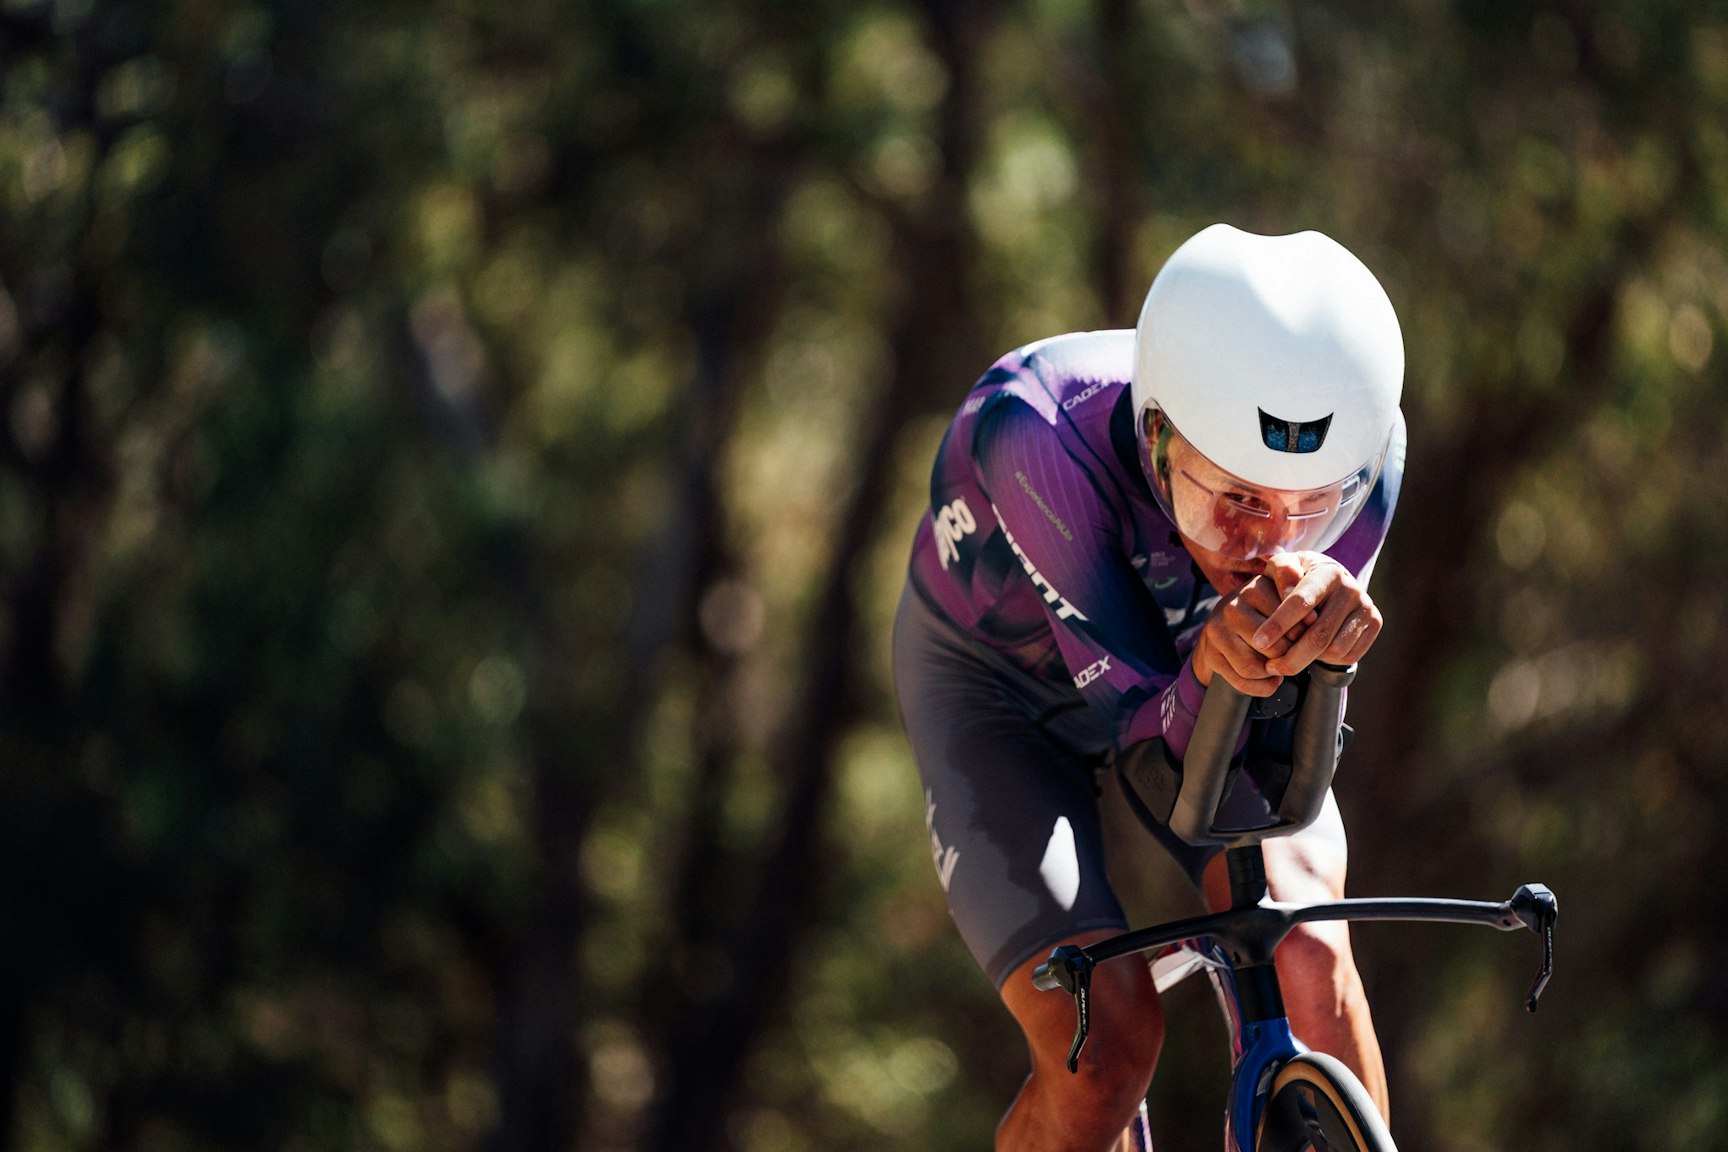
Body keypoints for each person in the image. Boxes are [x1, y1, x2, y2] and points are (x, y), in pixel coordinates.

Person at [891, 223, 1405, 1151]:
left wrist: (1321, 658)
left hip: (1184, 676)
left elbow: (1281, 748)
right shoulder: (1037, 430)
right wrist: (1217, 663)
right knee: (1105, 1047)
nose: (1271, 547)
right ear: (1158, 434)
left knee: (1310, 956)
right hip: (1000, 697)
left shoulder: (1371, 462)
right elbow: (1147, 747)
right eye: (1234, 498)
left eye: (1310, 510)